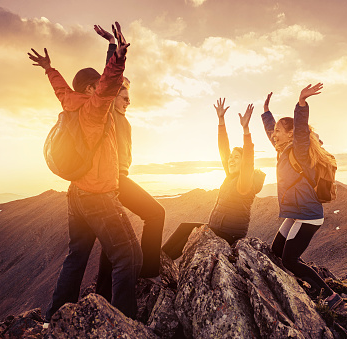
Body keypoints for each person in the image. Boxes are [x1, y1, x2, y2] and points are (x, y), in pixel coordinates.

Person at [28, 22, 143, 322]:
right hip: (98, 196)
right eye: (97, 83)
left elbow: (60, 85)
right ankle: (124, 324)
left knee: (76, 258)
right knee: (128, 257)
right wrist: (118, 58)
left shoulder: (70, 101)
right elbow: (109, 82)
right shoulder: (94, 110)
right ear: (92, 88)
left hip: (76, 195)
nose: (104, 86)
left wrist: (49, 68)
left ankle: (55, 317)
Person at [92, 25, 165, 298]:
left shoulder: (124, 122)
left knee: (112, 241)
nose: (128, 102)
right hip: (113, 181)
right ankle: (149, 272)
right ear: (113, 97)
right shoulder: (107, 115)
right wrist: (113, 48)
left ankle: (100, 294)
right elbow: (107, 83)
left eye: (129, 98)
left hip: (115, 181)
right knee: (156, 214)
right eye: (124, 97)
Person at [261, 84, 342, 310]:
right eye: (274, 131)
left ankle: (330, 295)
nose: (273, 134)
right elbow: (271, 133)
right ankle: (311, 285)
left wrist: (301, 103)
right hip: (296, 214)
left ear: (290, 134)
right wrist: (267, 112)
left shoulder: (300, 151)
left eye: (278, 130)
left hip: (307, 215)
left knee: (289, 260)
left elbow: (301, 130)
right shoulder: (283, 149)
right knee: (276, 252)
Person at [162, 98, 266, 259]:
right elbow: (223, 150)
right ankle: (162, 259)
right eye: (231, 157)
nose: (231, 159)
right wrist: (221, 121)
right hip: (217, 227)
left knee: (192, 233)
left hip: (228, 233)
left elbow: (248, 162)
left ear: (243, 162)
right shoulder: (231, 176)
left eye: (236, 158)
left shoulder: (244, 183)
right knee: (185, 228)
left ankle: (160, 261)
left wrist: (246, 130)